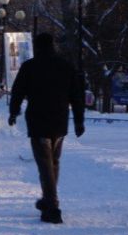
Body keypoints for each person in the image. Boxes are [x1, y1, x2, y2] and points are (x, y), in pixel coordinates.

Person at [8, 33, 85, 224]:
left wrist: (13, 112)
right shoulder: (65, 66)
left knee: (44, 164)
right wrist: (79, 121)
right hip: (59, 122)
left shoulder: (30, 67)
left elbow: (17, 91)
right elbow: (76, 95)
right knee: (53, 162)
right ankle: (48, 199)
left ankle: (52, 206)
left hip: (38, 121)